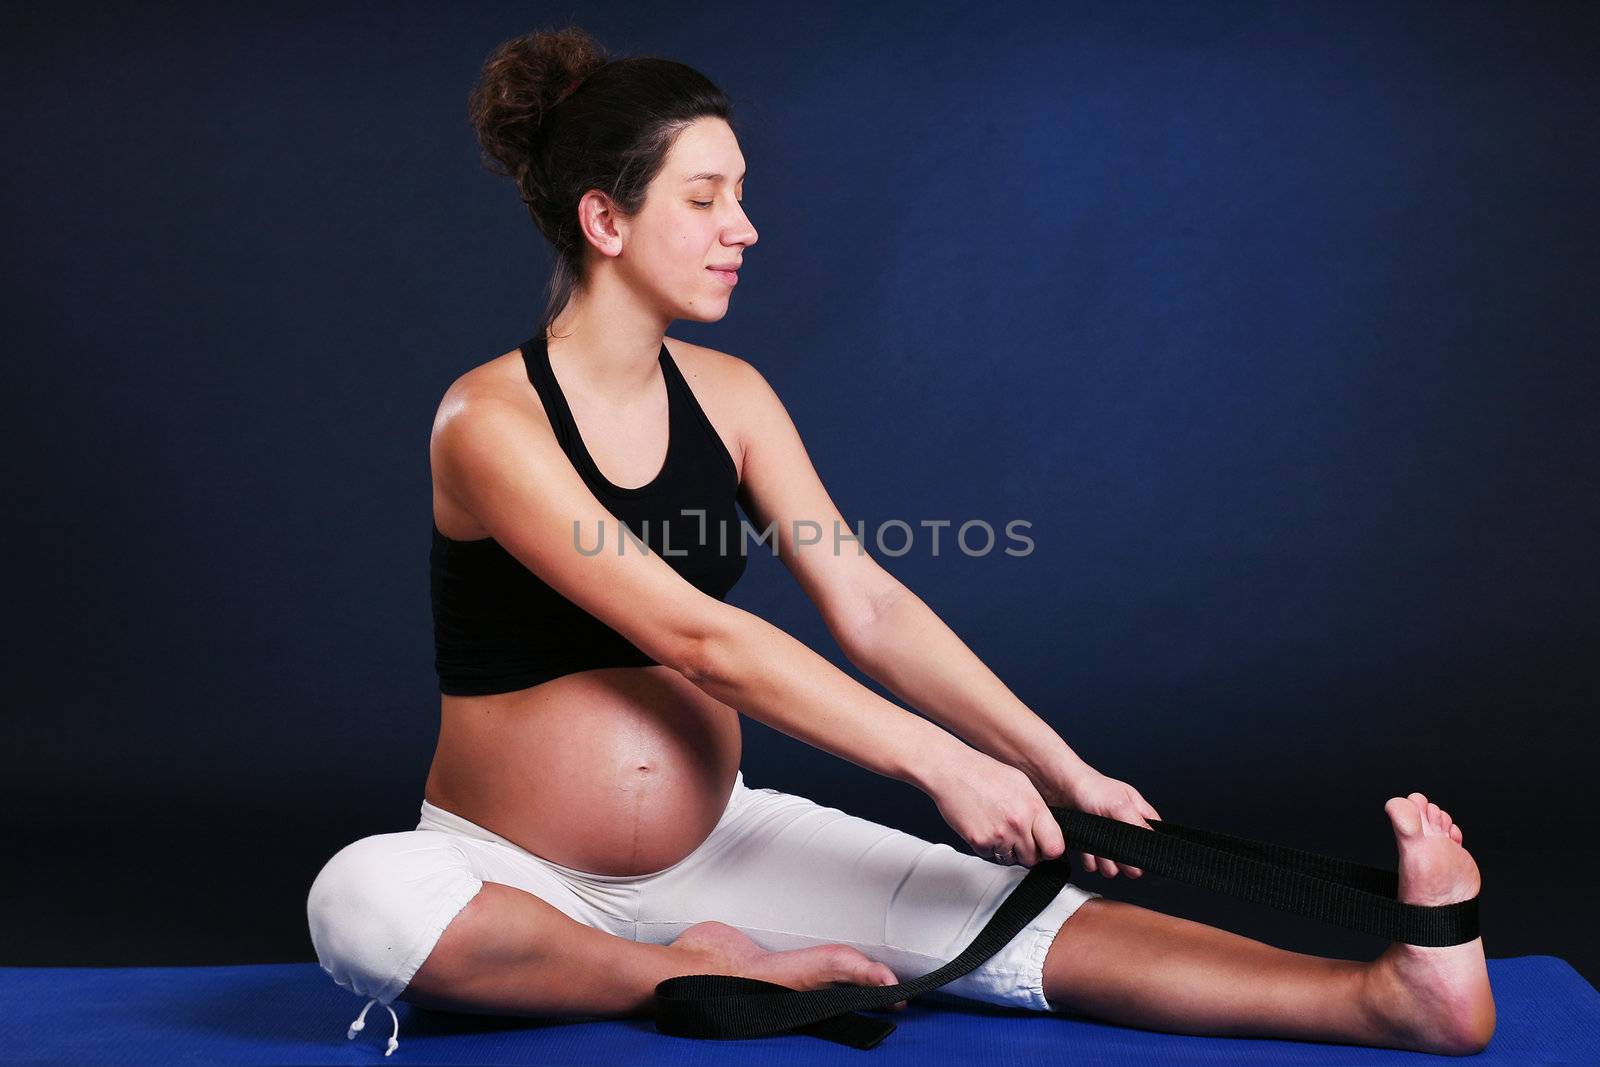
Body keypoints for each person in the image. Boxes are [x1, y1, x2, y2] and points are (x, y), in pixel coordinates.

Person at [306, 24, 1495, 1058]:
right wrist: (940, 764)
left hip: (720, 842)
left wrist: (1055, 767)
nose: (746, 228)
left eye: (741, 193)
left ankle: (1390, 995)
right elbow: (696, 633)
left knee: (1012, 913)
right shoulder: (488, 420)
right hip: (506, 869)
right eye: (707, 196)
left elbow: (867, 604)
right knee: (360, 902)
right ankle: (679, 968)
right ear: (605, 217)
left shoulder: (733, 395)